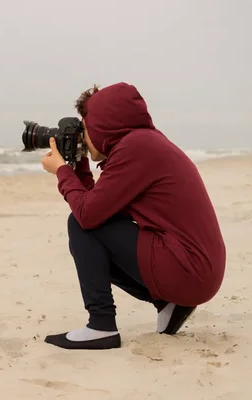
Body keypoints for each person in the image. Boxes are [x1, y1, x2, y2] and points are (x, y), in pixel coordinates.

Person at [40, 82, 226, 350]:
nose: (84, 136)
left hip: (189, 270)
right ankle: (168, 304)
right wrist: (78, 162)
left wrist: (62, 171)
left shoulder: (135, 149)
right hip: (197, 271)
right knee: (92, 226)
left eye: (85, 128)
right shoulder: (144, 144)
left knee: (79, 224)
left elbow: (86, 215)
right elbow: (99, 208)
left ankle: (101, 325)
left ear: (102, 125)